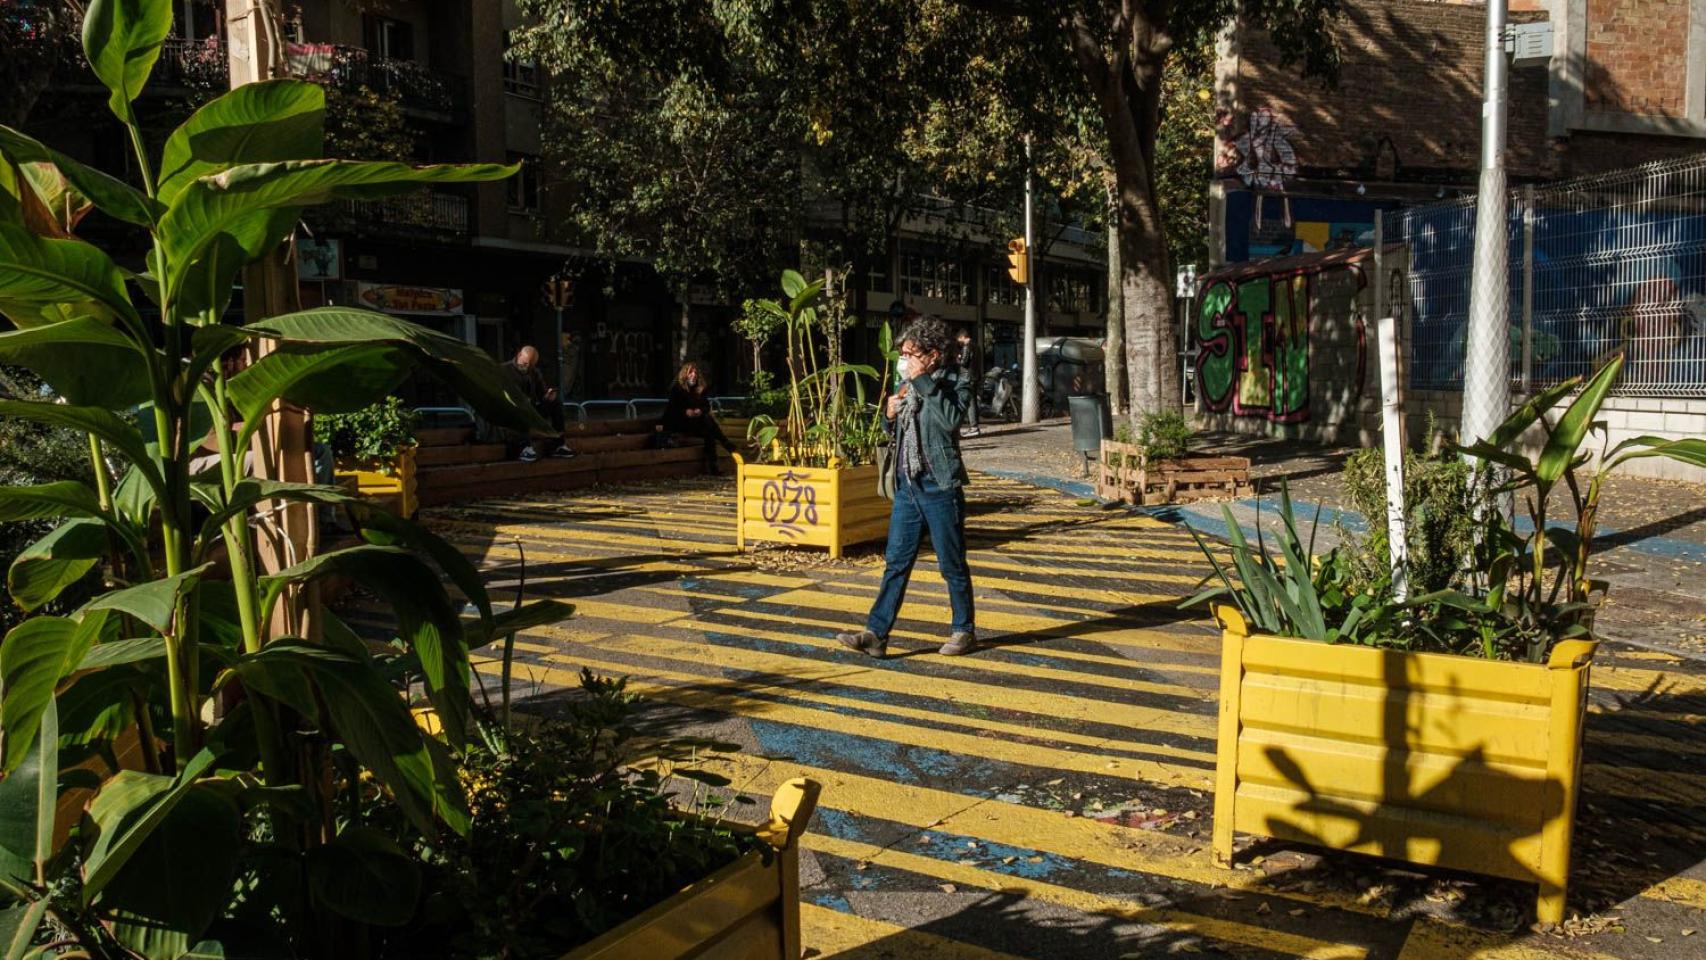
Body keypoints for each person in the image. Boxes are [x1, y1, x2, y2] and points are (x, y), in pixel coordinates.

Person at [836, 316, 978, 658]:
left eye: (910, 353)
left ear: (931, 355)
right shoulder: (906, 384)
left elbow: (949, 422)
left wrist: (924, 383)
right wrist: (889, 415)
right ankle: (876, 634)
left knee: (951, 563)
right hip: (907, 487)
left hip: (939, 486)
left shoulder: (956, 380)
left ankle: (964, 630)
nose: (904, 359)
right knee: (895, 563)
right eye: (903, 353)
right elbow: (898, 435)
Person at [661, 360, 737, 474]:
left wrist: (699, 410)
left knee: (709, 428)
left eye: (695, 373)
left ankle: (713, 466)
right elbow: (671, 410)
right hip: (680, 423)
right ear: (685, 374)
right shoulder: (677, 389)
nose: (693, 375)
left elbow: (706, 406)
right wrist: (685, 412)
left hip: (695, 423)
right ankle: (725, 444)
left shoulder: (699, 389)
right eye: (691, 372)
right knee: (708, 424)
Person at [502, 345, 574, 462]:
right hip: (513, 410)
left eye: (530, 365)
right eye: (524, 363)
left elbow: (541, 393)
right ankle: (524, 446)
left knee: (555, 404)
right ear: (519, 355)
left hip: (531, 408)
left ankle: (559, 445)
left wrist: (548, 396)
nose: (526, 367)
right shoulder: (505, 370)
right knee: (521, 406)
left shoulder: (534, 372)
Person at [954, 327, 981, 437]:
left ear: (962, 337)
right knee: (973, 401)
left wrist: (958, 358)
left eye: (959, 340)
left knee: (968, 402)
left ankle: (973, 427)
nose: (959, 342)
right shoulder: (977, 346)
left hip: (967, 377)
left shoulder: (967, 347)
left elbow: (964, 363)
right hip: (975, 376)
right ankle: (974, 426)